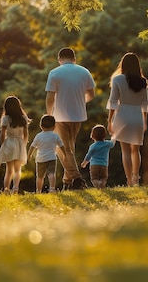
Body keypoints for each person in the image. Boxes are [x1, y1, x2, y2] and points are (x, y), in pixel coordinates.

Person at [45, 47, 96, 190]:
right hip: (78, 115)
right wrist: (80, 100)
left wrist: (49, 115)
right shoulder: (84, 71)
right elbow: (91, 95)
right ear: (74, 58)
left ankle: (77, 178)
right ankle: (67, 183)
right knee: (69, 148)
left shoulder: (54, 73)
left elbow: (50, 98)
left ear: (59, 59)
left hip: (59, 116)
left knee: (62, 149)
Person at [107, 52, 148, 186]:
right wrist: (144, 121)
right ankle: (136, 178)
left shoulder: (117, 80)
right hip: (137, 116)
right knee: (136, 150)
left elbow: (113, 102)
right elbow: (145, 104)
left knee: (125, 150)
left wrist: (110, 120)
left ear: (123, 64)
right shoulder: (143, 81)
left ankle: (128, 180)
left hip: (122, 115)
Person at [0, 95, 30, 194]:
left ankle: (6, 189)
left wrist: (3, 145)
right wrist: (24, 144)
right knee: (18, 169)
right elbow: (26, 134)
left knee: (9, 170)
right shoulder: (23, 118)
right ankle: (15, 189)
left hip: (9, 142)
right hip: (19, 143)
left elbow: (2, 134)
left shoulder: (5, 118)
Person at [28, 115, 66, 193]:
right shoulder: (55, 135)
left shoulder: (39, 136)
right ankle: (52, 189)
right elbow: (61, 146)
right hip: (52, 158)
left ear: (41, 126)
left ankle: (38, 190)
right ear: (54, 126)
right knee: (51, 174)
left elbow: (32, 146)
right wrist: (64, 154)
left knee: (40, 176)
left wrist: (29, 155)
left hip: (40, 159)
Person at [80, 125, 116, 189]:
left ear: (92, 135)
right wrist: (114, 135)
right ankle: (101, 183)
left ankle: (98, 184)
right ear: (104, 135)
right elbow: (113, 142)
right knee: (103, 178)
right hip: (104, 165)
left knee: (94, 179)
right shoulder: (107, 144)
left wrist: (84, 163)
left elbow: (88, 156)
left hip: (94, 165)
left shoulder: (93, 146)